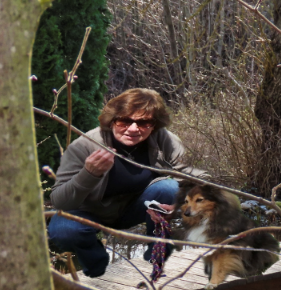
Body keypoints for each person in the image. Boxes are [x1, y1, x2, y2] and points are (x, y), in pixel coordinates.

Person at [48, 88, 205, 277]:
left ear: (154, 125)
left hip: (137, 208)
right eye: (124, 121)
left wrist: (180, 204)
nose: (133, 129)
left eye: (144, 122)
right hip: (89, 212)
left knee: (168, 188)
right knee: (62, 228)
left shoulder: (166, 141)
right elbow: (59, 201)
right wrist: (89, 174)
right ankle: (96, 267)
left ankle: (155, 261)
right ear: (112, 120)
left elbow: (191, 178)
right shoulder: (84, 146)